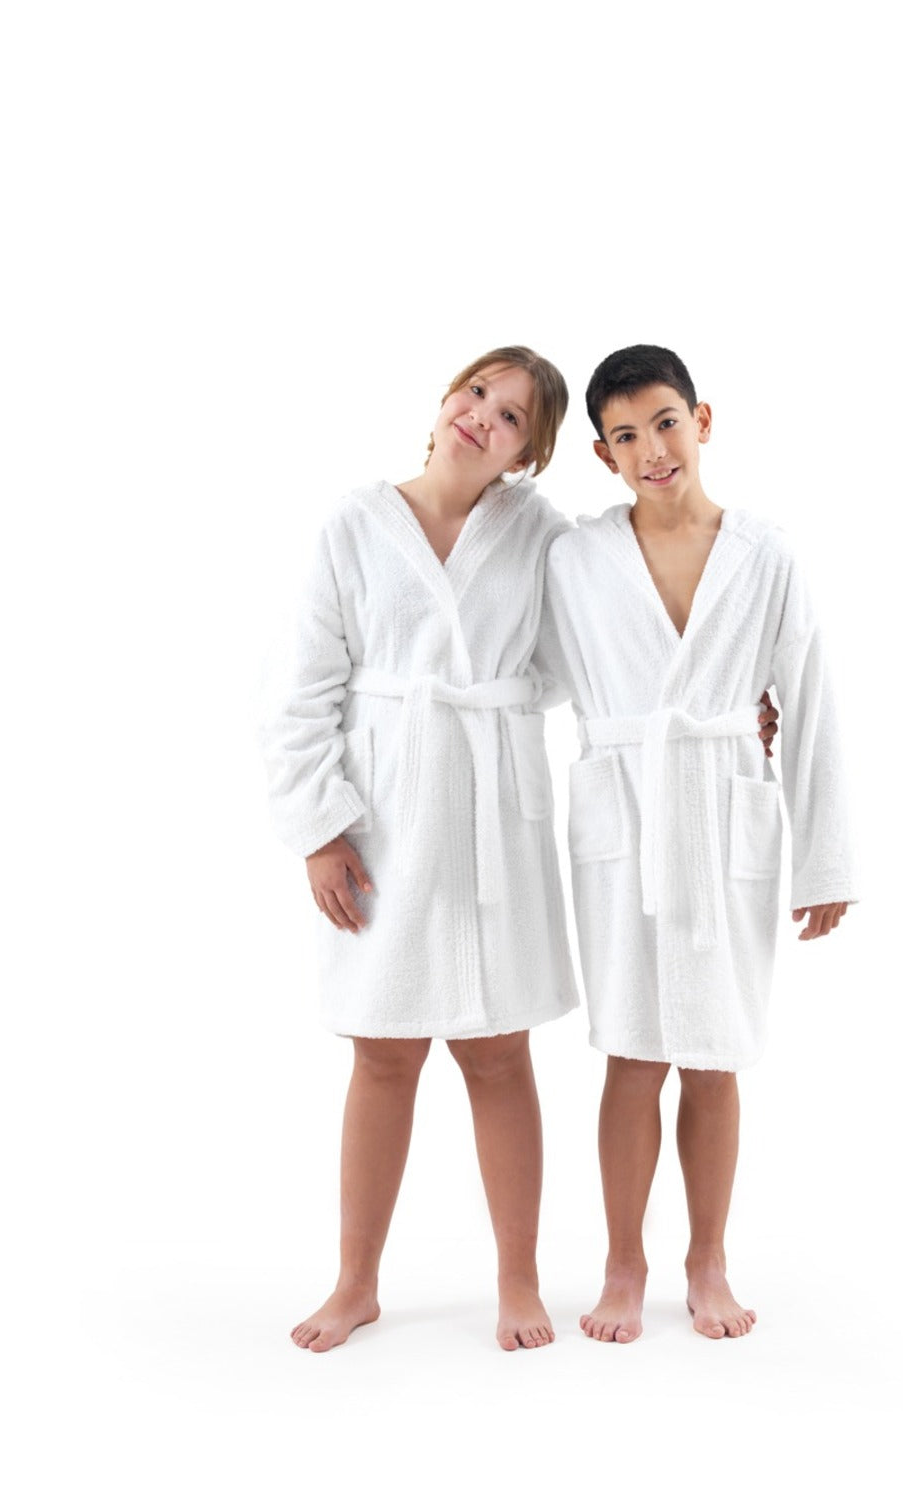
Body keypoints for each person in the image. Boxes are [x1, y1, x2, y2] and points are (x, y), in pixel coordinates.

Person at [261, 348, 587, 1354]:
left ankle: (518, 1279)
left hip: (492, 817)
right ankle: (355, 1282)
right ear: (448, 399)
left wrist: (734, 704)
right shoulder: (355, 525)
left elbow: (595, 650)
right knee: (383, 1051)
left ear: (528, 454)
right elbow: (305, 689)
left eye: (511, 415)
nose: (481, 415)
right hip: (385, 820)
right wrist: (319, 828)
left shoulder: (542, 537)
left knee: (498, 1051)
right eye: (476, 391)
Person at [537, 345, 857, 1343]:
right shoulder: (575, 558)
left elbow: (810, 704)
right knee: (632, 1055)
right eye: (626, 436)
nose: (652, 450)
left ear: (702, 420)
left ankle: (707, 1259)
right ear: (602, 455)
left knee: (715, 1056)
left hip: (723, 812)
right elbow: (532, 675)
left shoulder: (765, 555)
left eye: (666, 422)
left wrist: (825, 860)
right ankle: (622, 1264)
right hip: (624, 817)